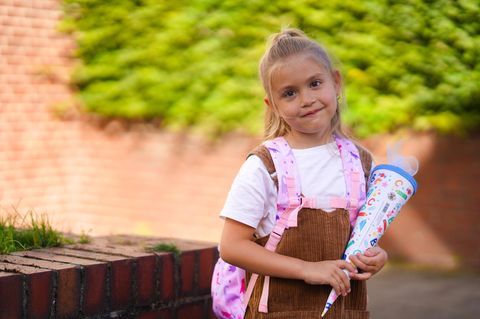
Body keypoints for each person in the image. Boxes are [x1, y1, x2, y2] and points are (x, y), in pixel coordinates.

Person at [216, 28, 388, 318]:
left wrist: (376, 257)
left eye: (315, 83)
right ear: (273, 106)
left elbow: (363, 235)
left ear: (336, 83)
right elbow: (232, 247)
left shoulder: (361, 162)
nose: (306, 99)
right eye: (289, 93)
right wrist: (307, 269)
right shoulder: (265, 166)